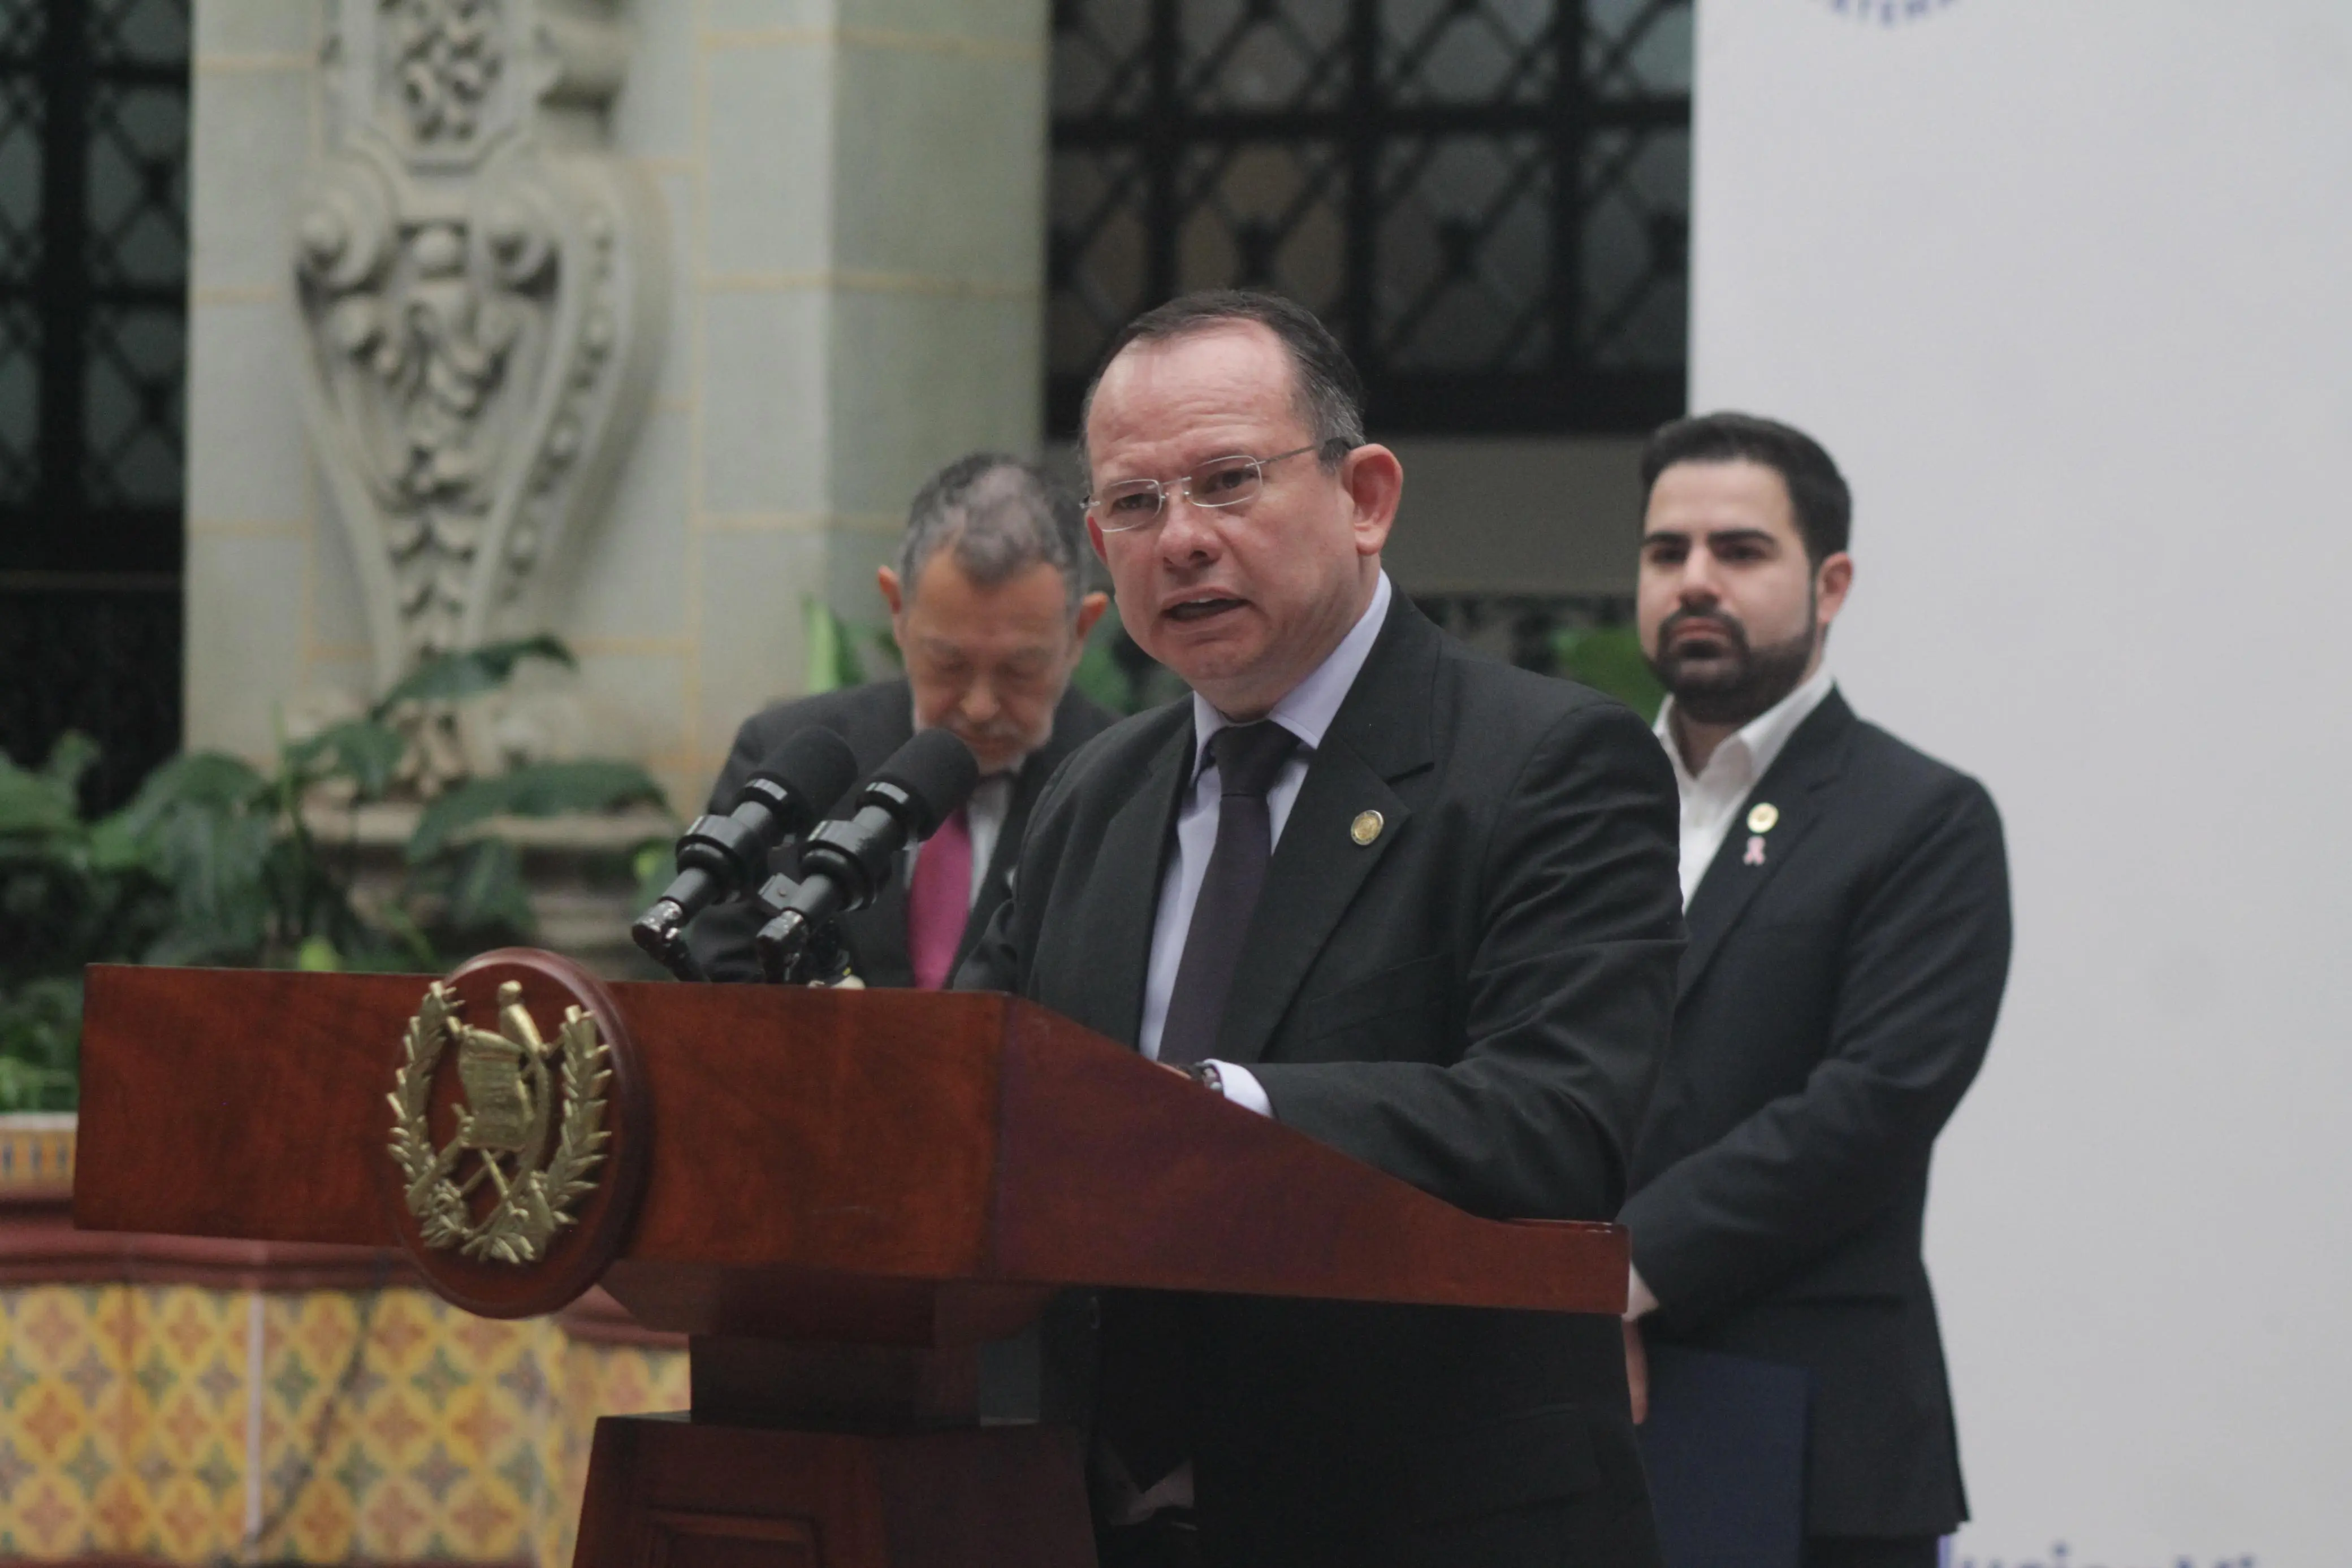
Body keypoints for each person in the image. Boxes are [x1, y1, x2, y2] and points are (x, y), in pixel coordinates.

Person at [958, 291, 1683, 1568]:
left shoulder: (1546, 762)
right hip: (1086, 1521)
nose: (1181, 539)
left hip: (1418, 1517)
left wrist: (1216, 1108)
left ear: (1366, 496)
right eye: (1135, 504)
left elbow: (1556, 1121)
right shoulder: (1092, 793)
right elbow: (977, 1096)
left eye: (1229, 481)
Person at [1617, 413, 2012, 1568]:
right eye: (1664, 552)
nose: (1694, 580)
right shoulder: (1571, 803)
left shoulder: (1920, 817)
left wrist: (1616, 1275)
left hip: (1807, 1429)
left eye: (1738, 551)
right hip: (1563, 1416)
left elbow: (1873, 1104)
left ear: (1829, 582)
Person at [686, 453, 1114, 986]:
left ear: (1081, 630)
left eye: (1020, 669)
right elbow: (723, 979)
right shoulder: (786, 759)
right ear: (897, 609)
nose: (980, 706)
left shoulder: (1125, 790)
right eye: (948, 663)